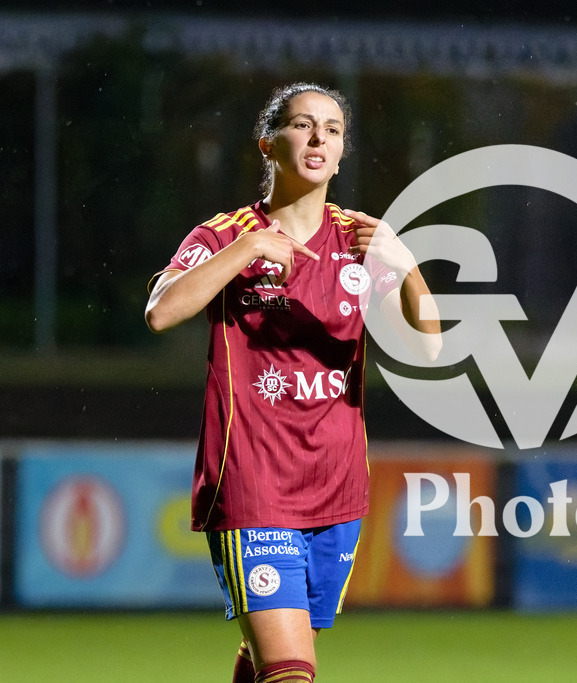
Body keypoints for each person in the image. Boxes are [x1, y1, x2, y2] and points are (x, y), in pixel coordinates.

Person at [145, 82, 440, 683]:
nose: (318, 139)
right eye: (303, 126)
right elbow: (161, 312)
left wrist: (403, 262)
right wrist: (249, 248)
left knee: (269, 660)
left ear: (340, 152)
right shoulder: (226, 234)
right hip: (252, 483)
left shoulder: (359, 240)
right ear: (268, 145)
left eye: (332, 130)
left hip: (336, 488)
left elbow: (430, 346)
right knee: (291, 669)